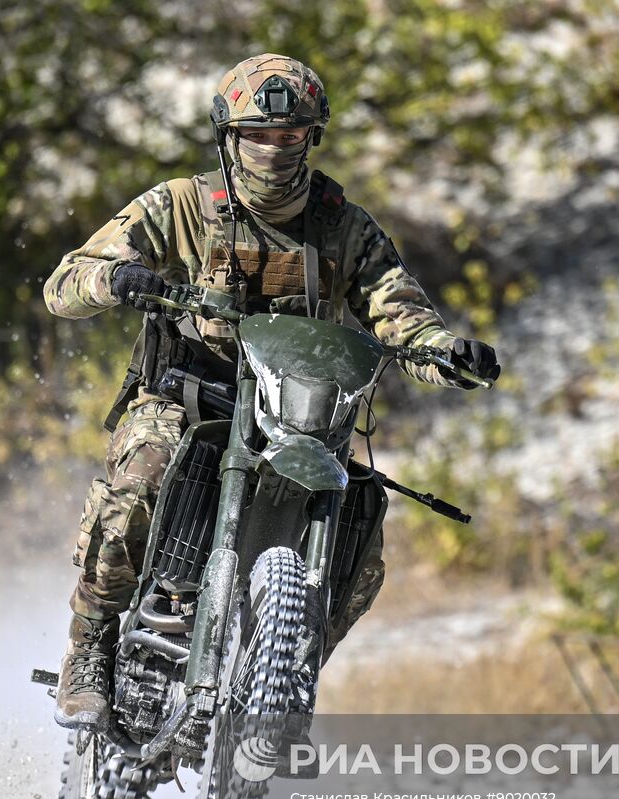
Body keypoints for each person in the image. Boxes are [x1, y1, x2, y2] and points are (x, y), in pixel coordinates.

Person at [42, 53, 501, 728]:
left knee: (360, 532)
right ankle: (91, 645)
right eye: (258, 134)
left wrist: (447, 356)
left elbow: (401, 316)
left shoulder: (344, 225)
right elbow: (66, 282)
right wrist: (116, 281)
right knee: (139, 481)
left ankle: (284, 685)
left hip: (297, 417)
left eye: (290, 136)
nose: (274, 149)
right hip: (187, 399)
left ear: (310, 137)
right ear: (228, 136)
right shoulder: (182, 205)